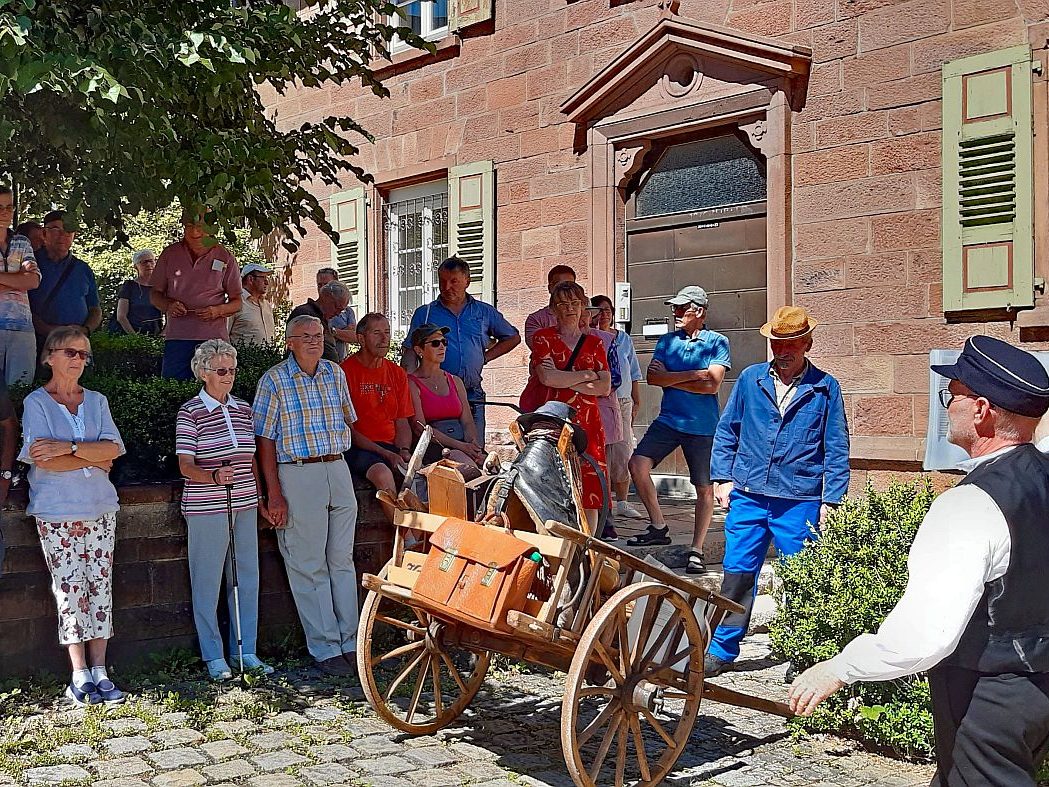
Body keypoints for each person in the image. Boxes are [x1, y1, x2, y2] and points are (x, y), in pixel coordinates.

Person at [789, 336, 1049, 786]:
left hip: (989, 698)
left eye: (954, 396)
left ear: (982, 410)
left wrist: (839, 668)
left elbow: (925, 636)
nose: (947, 405)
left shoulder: (969, 504)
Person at [705, 305, 849, 676]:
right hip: (749, 495)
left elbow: (836, 447)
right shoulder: (751, 380)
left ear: (808, 344)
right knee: (737, 573)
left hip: (798, 499)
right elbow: (727, 432)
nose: (783, 352)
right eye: (777, 344)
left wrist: (831, 500)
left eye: (792, 345)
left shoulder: (825, 388)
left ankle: (803, 654)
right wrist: (722, 478)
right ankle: (721, 649)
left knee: (803, 577)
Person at [20, 327, 125, 705]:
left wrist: (70, 447)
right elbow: (42, 459)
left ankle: (101, 669)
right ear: (49, 356)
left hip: (100, 506)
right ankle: (78, 672)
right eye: (71, 352)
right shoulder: (36, 402)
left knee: (100, 586)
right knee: (69, 589)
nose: (79, 360)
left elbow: (114, 451)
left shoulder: (97, 401)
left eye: (84, 354)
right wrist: (92, 455)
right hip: (57, 510)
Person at [252, 314, 358, 678]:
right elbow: (263, 441)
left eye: (318, 334)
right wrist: (274, 493)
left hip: (336, 467)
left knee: (342, 559)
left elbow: (349, 421)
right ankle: (325, 647)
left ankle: (352, 642)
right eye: (305, 336)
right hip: (297, 471)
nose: (314, 340)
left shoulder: (335, 373)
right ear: (289, 342)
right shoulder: (274, 380)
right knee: (307, 563)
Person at [176, 339, 273, 681]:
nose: (228, 376)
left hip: (244, 502)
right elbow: (185, 465)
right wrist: (213, 475)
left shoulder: (244, 408)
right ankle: (214, 655)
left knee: (246, 577)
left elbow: (254, 460)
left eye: (232, 369)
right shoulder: (190, 412)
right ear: (203, 373)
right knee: (207, 580)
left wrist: (261, 497)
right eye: (221, 370)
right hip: (207, 506)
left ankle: (246, 651)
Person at [626, 286, 730, 576]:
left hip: (702, 426)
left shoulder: (717, 342)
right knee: (637, 465)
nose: (676, 313)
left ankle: (696, 549)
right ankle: (659, 525)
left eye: (682, 309)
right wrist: (694, 375)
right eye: (675, 308)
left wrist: (671, 379)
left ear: (699, 312)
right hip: (669, 420)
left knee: (704, 489)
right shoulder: (667, 342)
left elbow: (713, 384)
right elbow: (653, 378)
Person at [521, 280, 610, 527]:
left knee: (590, 484)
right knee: (553, 477)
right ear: (553, 309)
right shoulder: (543, 338)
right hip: (556, 417)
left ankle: (589, 546)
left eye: (574, 303)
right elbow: (547, 377)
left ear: (583, 307)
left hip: (589, 420)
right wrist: (586, 375)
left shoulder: (594, 343)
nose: (569, 308)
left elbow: (605, 386)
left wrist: (565, 379)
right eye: (563, 303)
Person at [404, 256, 520, 439]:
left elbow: (512, 337)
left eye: (454, 281)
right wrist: (409, 382)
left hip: (472, 392)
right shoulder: (425, 313)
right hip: (436, 394)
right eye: (442, 281)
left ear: (467, 281)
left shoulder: (483, 312)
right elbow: (410, 350)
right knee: (439, 453)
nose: (446, 287)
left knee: (475, 450)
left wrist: (486, 357)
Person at [150, 209, 242, 380]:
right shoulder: (170, 254)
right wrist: (168, 306)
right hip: (177, 337)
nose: (194, 232)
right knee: (173, 390)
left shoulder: (225, 256)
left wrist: (217, 311)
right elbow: (155, 294)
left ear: (211, 227)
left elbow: (237, 302)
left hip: (214, 340)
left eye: (200, 226)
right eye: (189, 226)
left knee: (215, 387)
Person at [340, 313, 414, 501]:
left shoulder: (396, 372)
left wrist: (404, 451)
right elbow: (348, 430)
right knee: (383, 475)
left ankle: (415, 529)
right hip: (358, 447)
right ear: (361, 339)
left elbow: (402, 420)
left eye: (387, 332)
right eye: (377, 333)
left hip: (390, 446)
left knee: (420, 476)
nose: (384, 338)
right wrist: (386, 454)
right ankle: (404, 530)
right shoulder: (344, 372)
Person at [591, 295, 644, 520]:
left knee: (623, 452)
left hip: (622, 401)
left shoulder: (624, 339)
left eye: (608, 310)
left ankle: (622, 501)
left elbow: (632, 371)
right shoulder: (591, 338)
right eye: (599, 310)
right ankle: (605, 503)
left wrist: (636, 399)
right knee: (601, 453)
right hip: (599, 402)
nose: (604, 314)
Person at [407, 322, 485, 467]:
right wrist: (461, 447)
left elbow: (467, 421)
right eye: (435, 343)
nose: (442, 346)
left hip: (461, 442)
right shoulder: (412, 383)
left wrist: (473, 446)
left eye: (444, 342)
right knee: (465, 466)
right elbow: (420, 428)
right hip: (432, 446)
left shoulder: (455, 381)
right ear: (419, 350)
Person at [30, 211, 102, 353]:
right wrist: (49, 331)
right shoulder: (30, 264)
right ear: (44, 233)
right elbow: (20, 305)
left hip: (76, 346)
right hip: (37, 344)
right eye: (56, 229)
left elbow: (95, 309)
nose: (63, 234)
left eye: (68, 230)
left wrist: (85, 330)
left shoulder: (83, 269)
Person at [0, 187, 41, 385]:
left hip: (23, 329)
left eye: (9, 207)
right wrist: (18, 278)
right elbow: (25, 279)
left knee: (20, 393)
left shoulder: (22, 242)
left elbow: (33, 281)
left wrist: (21, 279)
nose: (4, 212)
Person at [289, 281, 350, 364]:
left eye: (341, 310)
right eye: (336, 307)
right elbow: (303, 350)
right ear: (326, 297)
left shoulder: (324, 318)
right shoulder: (305, 314)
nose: (337, 313)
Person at [108, 249, 163, 336]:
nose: (148, 265)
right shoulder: (129, 286)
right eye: (144, 262)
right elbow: (121, 316)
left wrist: (164, 334)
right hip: (128, 338)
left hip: (154, 337)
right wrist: (135, 338)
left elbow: (170, 314)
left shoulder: (161, 287)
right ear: (136, 266)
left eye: (151, 261)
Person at [524, 264, 577, 349]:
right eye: (560, 285)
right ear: (550, 287)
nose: (566, 289)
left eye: (571, 285)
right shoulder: (536, 319)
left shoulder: (585, 314)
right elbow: (539, 347)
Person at [228, 263, 276, 346]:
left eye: (267, 278)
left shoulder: (267, 305)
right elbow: (223, 335)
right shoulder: (235, 302)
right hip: (242, 358)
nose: (267, 282)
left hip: (269, 357)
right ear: (250, 279)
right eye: (263, 278)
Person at [317, 267, 357, 359]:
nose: (322, 289)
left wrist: (332, 332)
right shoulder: (312, 311)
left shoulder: (347, 311)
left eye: (326, 285)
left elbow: (354, 337)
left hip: (341, 362)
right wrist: (343, 332)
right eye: (319, 285)